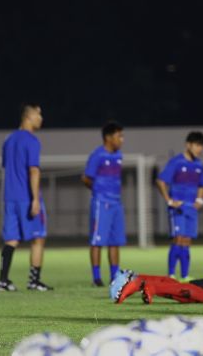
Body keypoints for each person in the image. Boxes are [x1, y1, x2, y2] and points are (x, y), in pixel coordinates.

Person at [0, 103, 53, 292]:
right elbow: (33, 170)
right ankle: (34, 281)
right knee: (38, 238)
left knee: (11, 238)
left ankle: (3, 280)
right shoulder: (31, 141)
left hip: (9, 197)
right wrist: (35, 199)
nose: (41, 119)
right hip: (26, 197)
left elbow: (7, 166)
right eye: (39, 115)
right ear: (28, 117)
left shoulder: (8, 140)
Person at [156, 132, 203, 281]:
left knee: (187, 240)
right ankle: (171, 274)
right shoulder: (176, 162)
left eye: (201, 146)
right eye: (197, 145)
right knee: (178, 238)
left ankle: (185, 275)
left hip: (191, 208)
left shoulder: (198, 164)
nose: (199, 149)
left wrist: (200, 199)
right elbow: (160, 181)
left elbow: (202, 185)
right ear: (188, 145)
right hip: (178, 208)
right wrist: (169, 200)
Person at [82, 121, 125, 286]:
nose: (122, 140)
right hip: (102, 203)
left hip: (116, 203)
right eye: (119, 136)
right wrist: (99, 191)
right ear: (108, 137)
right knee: (97, 240)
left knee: (115, 241)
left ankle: (115, 277)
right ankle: (96, 278)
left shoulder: (119, 155)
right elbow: (86, 178)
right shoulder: (97, 155)